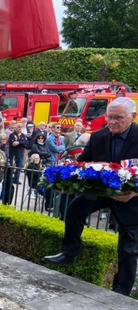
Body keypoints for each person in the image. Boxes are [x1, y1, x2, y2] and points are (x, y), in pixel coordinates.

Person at [44, 97, 138, 296]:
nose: (112, 122)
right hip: (102, 191)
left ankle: (122, 291)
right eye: (109, 117)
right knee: (75, 208)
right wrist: (66, 181)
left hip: (131, 197)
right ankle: (69, 253)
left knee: (129, 246)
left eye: (118, 118)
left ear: (133, 117)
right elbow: (83, 162)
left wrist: (135, 192)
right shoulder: (98, 136)